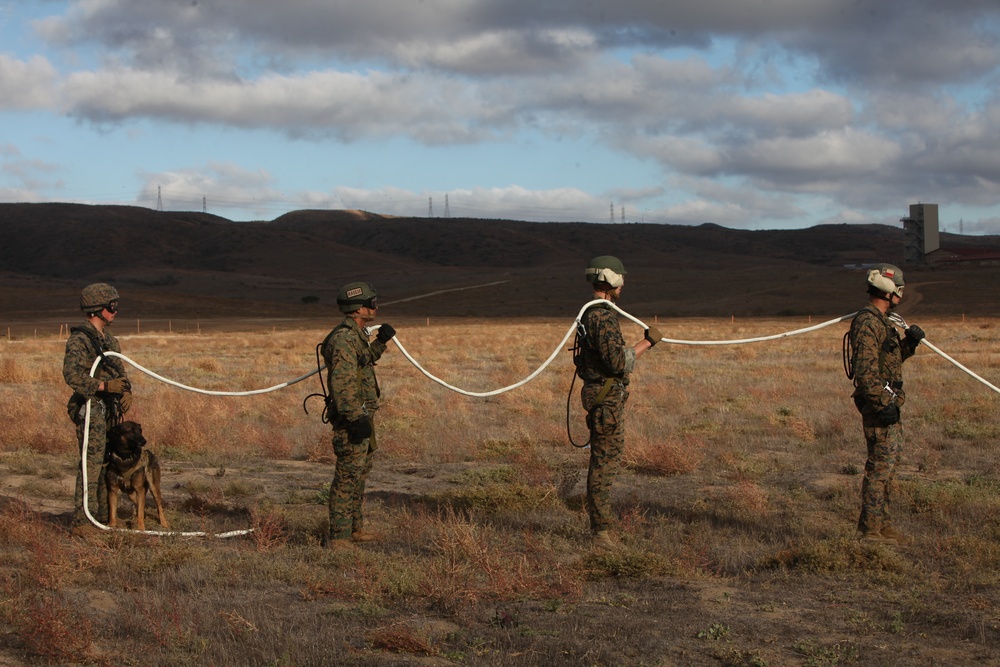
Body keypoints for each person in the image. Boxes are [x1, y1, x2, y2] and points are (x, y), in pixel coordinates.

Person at [576, 256, 662, 551]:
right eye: (620, 278)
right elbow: (615, 362)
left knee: (605, 461)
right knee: (604, 464)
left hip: (605, 395)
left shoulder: (596, 313)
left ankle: (601, 528)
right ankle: (600, 534)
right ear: (610, 280)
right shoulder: (601, 316)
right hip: (606, 397)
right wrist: (647, 343)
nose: (624, 283)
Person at [847, 263, 925, 544]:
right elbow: (865, 371)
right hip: (879, 405)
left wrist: (909, 344)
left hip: (889, 401)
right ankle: (870, 531)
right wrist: (882, 404)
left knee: (888, 467)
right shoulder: (868, 322)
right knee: (879, 469)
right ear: (890, 290)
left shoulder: (884, 321)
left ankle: (883, 526)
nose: (902, 295)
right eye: (900, 290)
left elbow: (887, 363)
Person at [320, 281, 395, 549]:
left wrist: (381, 342)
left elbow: (363, 361)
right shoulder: (343, 339)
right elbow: (342, 384)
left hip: (364, 416)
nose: (376, 307)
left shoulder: (356, 336)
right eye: (372, 303)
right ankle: (339, 537)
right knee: (347, 476)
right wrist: (355, 418)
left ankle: (354, 530)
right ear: (358, 307)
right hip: (353, 419)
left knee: (360, 473)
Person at [62, 283, 133, 536]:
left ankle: (103, 518)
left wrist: (125, 391)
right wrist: (104, 386)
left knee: (108, 464)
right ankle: (83, 522)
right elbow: (72, 375)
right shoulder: (80, 339)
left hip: (111, 413)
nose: (115, 311)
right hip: (91, 411)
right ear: (97, 308)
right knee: (89, 465)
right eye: (111, 306)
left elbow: (120, 373)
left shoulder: (110, 340)